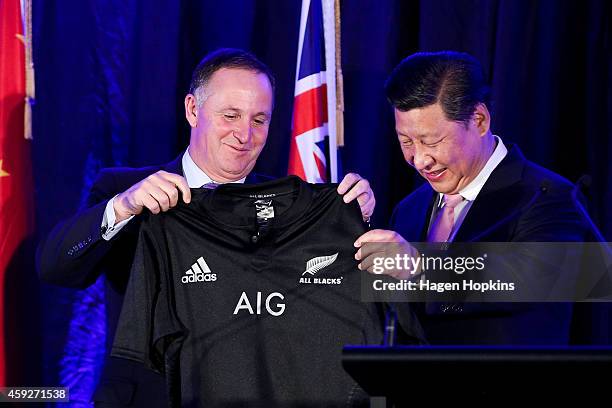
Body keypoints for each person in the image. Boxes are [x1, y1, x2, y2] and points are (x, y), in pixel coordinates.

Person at [37, 48, 375, 407]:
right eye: (230, 115)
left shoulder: (293, 209)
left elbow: (370, 299)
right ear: (193, 110)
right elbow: (55, 267)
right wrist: (121, 208)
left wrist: (358, 227)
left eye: (259, 120)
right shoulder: (126, 191)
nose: (244, 134)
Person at [354, 51, 588, 345]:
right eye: (406, 142)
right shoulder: (409, 209)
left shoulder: (549, 196)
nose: (420, 159)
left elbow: (531, 278)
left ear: (479, 120)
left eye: (431, 141)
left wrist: (421, 267)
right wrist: (351, 222)